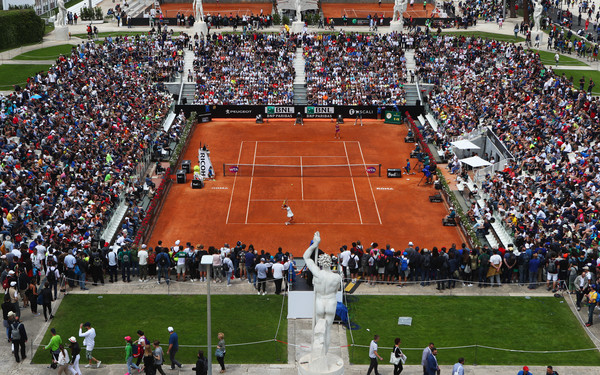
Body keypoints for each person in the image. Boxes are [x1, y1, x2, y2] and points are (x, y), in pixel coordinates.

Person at [303, 231, 342, 358]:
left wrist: (315, 244)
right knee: (327, 331)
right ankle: (323, 355)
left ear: (320, 263)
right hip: (330, 302)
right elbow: (336, 290)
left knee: (317, 330)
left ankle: (317, 354)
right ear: (330, 263)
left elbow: (306, 257)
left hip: (320, 301)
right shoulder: (336, 277)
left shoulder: (317, 273)